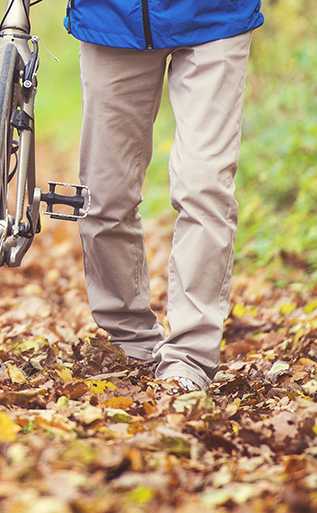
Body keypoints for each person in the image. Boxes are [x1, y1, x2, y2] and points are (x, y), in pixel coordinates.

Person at [66, 0, 264, 390]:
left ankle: (190, 356)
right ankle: (130, 339)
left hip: (215, 15)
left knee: (204, 184)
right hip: (111, 17)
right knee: (104, 196)